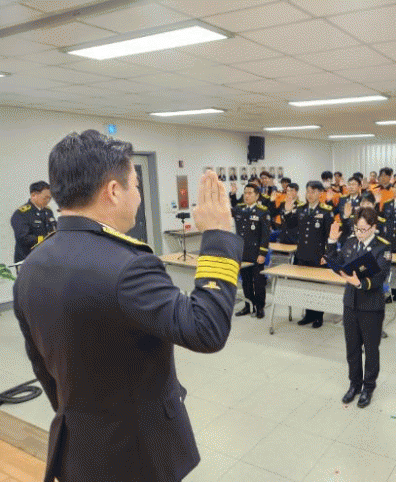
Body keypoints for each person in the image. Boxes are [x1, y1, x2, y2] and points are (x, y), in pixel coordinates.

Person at [13, 130, 243, 482]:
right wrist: (218, 236)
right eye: (135, 185)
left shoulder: (32, 265)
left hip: (79, 446)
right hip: (136, 454)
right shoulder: (128, 266)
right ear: (113, 191)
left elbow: (42, 365)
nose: (138, 196)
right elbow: (206, 329)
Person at [327, 208, 391, 408]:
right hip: (350, 303)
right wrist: (331, 242)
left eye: (364, 229)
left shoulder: (383, 247)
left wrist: (360, 283)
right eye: (357, 229)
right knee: (352, 348)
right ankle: (354, 384)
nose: (360, 233)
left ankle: (368, 387)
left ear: (374, 227)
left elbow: (380, 276)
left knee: (371, 350)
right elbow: (336, 263)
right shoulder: (351, 242)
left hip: (371, 305)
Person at [285, 181, 333, 328]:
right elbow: (290, 226)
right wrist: (288, 212)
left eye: (313, 192)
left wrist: (327, 255)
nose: (310, 195)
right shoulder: (301, 209)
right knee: (305, 286)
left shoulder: (326, 211)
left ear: (320, 193)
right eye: (308, 191)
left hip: (318, 255)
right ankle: (308, 315)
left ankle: (318, 316)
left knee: (317, 287)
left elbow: (329, 236)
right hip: (302, 254)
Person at [233, 183, 271, 319]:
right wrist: (232, 194)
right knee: (246, 281)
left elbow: (265, 235)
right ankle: (248, 305)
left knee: (259, 282)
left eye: (250, 193)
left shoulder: (262, 211)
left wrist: (262, 254)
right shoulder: (239, 209)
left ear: (257, 195)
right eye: (245, 193)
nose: (247, 196)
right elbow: (226, 210)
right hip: (243, 252)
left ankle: (260, 307)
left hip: (256, 253)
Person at [11, 181, 57, 263]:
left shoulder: (48, 211)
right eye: (45, 198)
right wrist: (44, 239)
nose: (48, 201)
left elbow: (53, 229)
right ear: (33, 195)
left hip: (46, 257)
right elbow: (23, 238)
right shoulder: (21, 213)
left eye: (50, 198)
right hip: (27, 259)